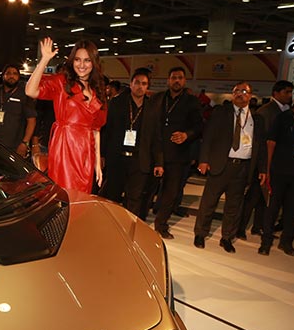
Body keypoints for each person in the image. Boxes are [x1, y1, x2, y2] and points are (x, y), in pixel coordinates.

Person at [25, 37, 107, 193]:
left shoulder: (98, 90)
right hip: (65, 146)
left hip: (86, 152)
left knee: (81, 196)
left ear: (94, 63)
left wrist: (97, 163)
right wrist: (44, 60)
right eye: (77, 59)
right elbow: (30, 91)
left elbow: (96, 130)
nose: (81, 65)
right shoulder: (62, 82)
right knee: (65, 194)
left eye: (87, 60)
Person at [193, 82, 266, 253]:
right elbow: (208, 136)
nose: (240, 94)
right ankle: (200, 233)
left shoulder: (257, 119)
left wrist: (263, 169)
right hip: (221, 164)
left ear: (250, 96)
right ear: (233, 94)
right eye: (237, 91)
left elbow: (261, 146)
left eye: (244, 91)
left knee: (234, 206)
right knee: (209, 202)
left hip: (243, 168)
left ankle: (227, 237)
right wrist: (203, 160)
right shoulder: (221, 112)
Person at [259, 88, 294, 256]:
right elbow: (271, 144)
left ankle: (286, 242)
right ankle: (266, 242)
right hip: (279, 172)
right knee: (272, 209)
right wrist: (267, 170)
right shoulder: (282, 118)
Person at [147, 66, 202, 239]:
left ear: (184, 81)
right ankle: (139, 218)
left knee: (171, 193)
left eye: (180, 78)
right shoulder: (157, 98)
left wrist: (187, 135)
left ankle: (161, 224)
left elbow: (199, 127)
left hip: (178, 154)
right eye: (173, 77)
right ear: (168, 80)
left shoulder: (192, 101)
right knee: (147, 188)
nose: (176, 80)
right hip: (155, 152)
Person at [100, 67, 163, 216]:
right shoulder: (117, 103)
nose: (140, 86)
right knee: (112, 196)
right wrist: (101, 155)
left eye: (144, 84)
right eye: (137, 82)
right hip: (117, 158)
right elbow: (106, 131)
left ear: (147, 87)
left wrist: (159, 162)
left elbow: (156, 137)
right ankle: (110, 223)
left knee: (134, 198)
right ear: (131, 84)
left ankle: (128, 226)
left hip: (139, 160)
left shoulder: (152, 108)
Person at [237, 80, 294, 239]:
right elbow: (261, 140)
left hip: (276, 162)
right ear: (276, 93)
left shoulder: (286, 110)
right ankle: (240, 228)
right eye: (286, 92)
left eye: (291, 92)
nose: (289, 95)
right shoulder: (267, 111)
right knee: (253, 197)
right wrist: (262, 165)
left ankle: (258, 226)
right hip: (262, 161)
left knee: (265, 198)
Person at [0, 64, 36, 157]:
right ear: (3, 76)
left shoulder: (24, 94)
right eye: (8, 73)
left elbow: (31, 121)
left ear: (19, 76)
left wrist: (24, 143)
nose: (11, 76)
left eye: (15, 73)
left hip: (14, 147)